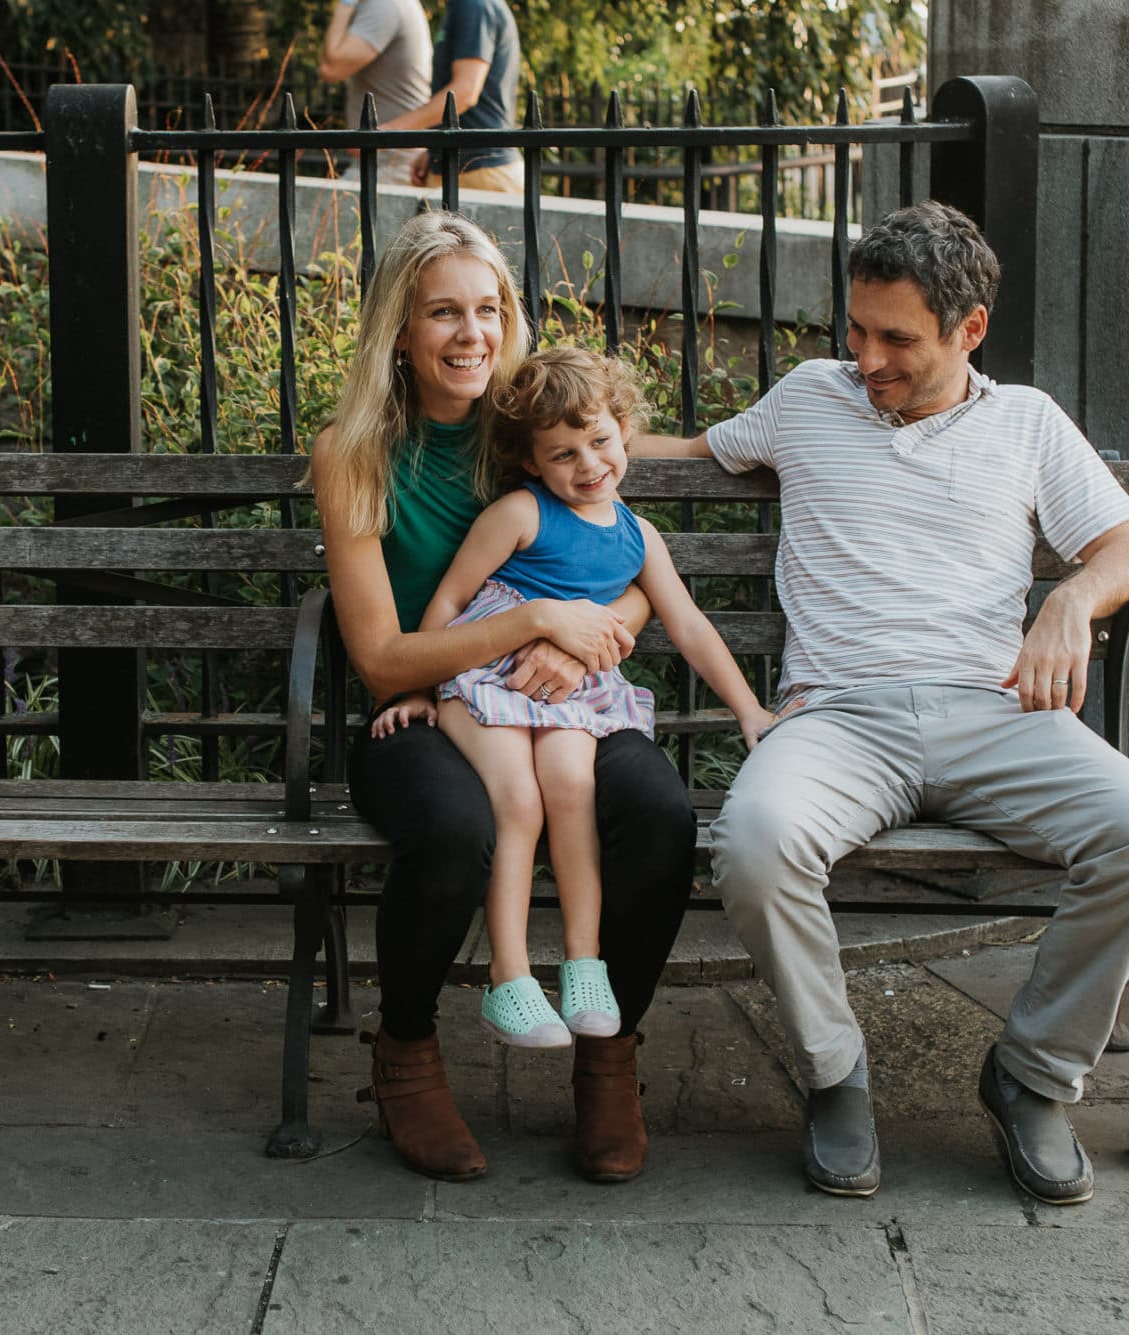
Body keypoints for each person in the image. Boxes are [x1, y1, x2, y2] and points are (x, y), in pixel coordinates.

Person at [641, 201, 1129, 1206]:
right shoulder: (808, 396)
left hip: (994, 715)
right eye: (854, 330)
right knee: (753, 843)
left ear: (967, 330)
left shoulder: (1025, 421)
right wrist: (516, 438)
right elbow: (674, 454)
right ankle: (832, 1074)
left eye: (895, 338)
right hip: (836, 720)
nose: (864, 359)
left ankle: (1029, 1077)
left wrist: (1069, 599)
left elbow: (1127, 554)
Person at [308, 211, 693, 1185]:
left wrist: (602, 632)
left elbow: (634, 545)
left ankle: (609, 1052)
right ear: (398, 328)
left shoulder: (525, 428)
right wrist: (532, 625)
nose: (470, 333)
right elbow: (382, 660)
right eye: (443, 312)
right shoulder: (353, 454)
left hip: (564, 699)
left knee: (658, 813)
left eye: (487, 309)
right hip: (421, 708)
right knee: (451, 828)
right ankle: (404, 1053)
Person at [369, 349, 771, 1052]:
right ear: (531, 461)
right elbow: (451, 600)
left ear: (624, 430)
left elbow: (689, 626)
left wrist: (750, 710)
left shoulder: (638, 536)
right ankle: (511, 976)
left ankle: (583, 965)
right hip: (489, 675)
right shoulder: (520, 512)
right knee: (517, 800)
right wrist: (423, 691)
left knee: (572, 787)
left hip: (569, 690)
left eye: (600, 442)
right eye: (562, 453)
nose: (587, 465)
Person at [377, 0, 524, 193]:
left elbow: (465, 92)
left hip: (480, 171)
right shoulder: (462, 7)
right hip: (464, 166)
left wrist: (387, 133)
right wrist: (435, 149)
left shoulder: (474, 6)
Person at [317, 0, 433, 187]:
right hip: (384, 163)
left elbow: (332, 68)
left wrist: (344, 6)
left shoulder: (384, 6)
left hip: (389, 167)